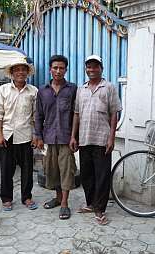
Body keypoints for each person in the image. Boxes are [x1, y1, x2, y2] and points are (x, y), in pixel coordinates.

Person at [70, 55, 122, 225]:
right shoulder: (81, 89)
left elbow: (114, 113)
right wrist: (73, 136)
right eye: (89, 67)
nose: (91, 70)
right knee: (86, 174)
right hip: (85, 138)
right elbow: (76, 113)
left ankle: (100, 209)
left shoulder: (109, 87)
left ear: (101, 68)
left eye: (95, 67)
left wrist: (111, 137)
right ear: (86, 69)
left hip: (102, 139)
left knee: (102, 175)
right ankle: (91, 203)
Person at [35, 55, 77, 220]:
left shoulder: (72, 89)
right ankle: (58, 197)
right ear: (50, 69)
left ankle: (65, 203)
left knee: (66, 170)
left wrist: (75, 137)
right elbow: (38, 115)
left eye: (61, 68)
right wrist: (38, 135)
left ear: (66, 69)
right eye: (55, 68)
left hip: (66, 138)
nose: (58, 71)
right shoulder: (42, 91)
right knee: (52, 170)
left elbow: (76, 115)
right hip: (48, 138)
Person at [0, 60, 38, 211]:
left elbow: (35, 116)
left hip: (26, 135)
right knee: (7, 169)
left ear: (27, 73)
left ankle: (27, 197)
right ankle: (6, 198)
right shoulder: (3, 90)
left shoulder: (33, 91)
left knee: (27, 169)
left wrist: (35, 135)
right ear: (12, 73)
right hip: (7, 135)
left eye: (23, 70)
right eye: (17, 70)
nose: (20, 72)